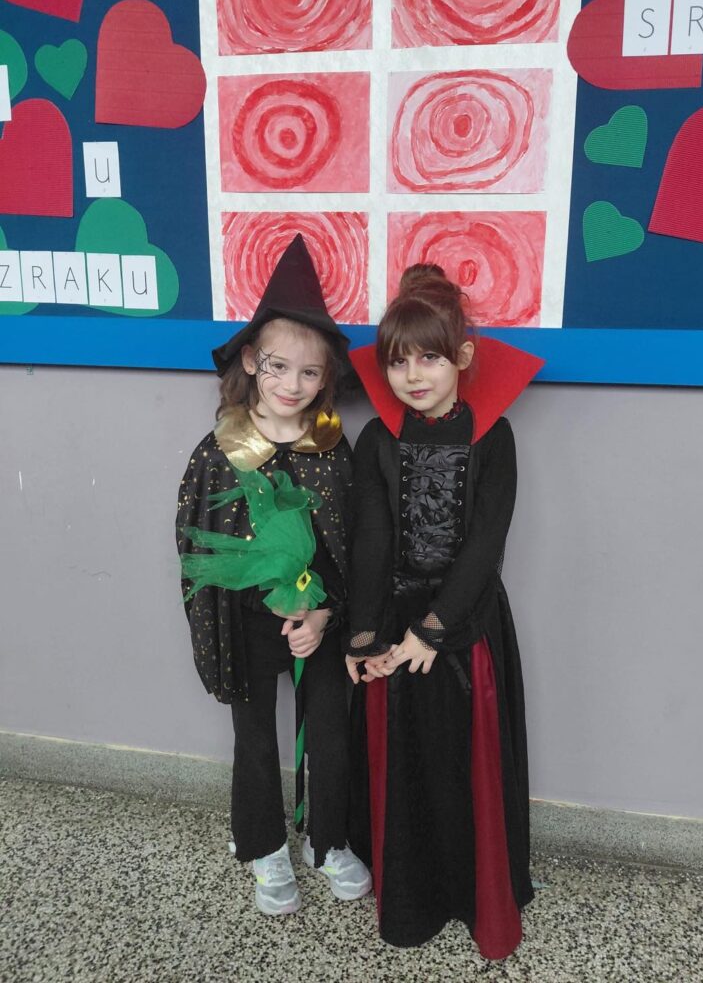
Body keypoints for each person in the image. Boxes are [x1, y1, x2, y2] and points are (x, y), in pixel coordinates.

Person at [346, 263, 542, 960]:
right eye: (398, 361)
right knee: (407, 767)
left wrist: (434, 632)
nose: (413, 375)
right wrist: (366, 635)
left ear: (462, 356)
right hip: (393, 620)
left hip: (465, 626)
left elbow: (487, 543)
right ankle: (413, 897)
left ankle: (475, 893)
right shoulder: (378, 440)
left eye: (429, 357)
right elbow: (371, 541)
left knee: (466, 768)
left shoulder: (493, 437)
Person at [176, 234, 370, 916]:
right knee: (254, 738)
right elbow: (199, 546)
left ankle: (329, 837)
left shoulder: (333, 451)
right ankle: (263, 844)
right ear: (252, 361)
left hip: (320, 622)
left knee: (332, 731)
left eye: (309, 373)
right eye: (278, 367)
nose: (292, 385)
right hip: (248, 623)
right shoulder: (218, 452)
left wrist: (325, 614)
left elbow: (351, 543)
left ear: (327, 379)